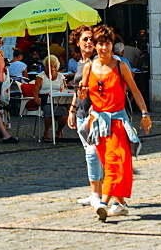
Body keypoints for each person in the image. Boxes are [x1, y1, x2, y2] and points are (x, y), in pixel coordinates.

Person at [79, 25, 151, 221]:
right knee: (108, 162)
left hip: (117, 122)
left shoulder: (121, 66)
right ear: (95, 46)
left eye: (107, 43)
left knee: (114, 163)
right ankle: (120, 204)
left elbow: (135, 91)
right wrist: (81, 93)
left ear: (112, 45)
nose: (104, 48)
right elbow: (83, 92)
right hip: (97, 123)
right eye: (100, 44)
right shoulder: (88, 67)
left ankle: (103, 202)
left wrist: (144, 113)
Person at [67, 26, 103, 207]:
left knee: (93, 154)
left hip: (95, 115)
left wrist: (96, 107)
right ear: (77, 42)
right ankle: (97, 193)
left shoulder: (98, 62)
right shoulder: (80, 63)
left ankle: (98, 194)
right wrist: (72, 110)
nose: (89, 43)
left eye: (91, 40)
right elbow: (78, 89)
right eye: (85, 39)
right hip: (81, 113)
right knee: (92, 155)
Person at [32, 55, 70, 141]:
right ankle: (46, 132)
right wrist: (36, 98)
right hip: (45, 98)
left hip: (58, 100)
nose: (49, 68)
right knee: (49, 112)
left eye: (51, 65)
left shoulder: (61, 76)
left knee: (64, 116)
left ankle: (59, 131)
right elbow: (36, 88)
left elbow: (65, 88)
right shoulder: (41, 76)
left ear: (56, 66)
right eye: (47, 65)